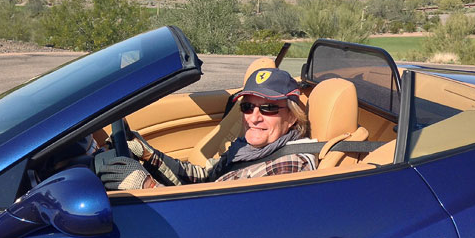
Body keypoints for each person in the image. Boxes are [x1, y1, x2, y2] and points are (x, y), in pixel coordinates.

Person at [99, 68, 316, 190]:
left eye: (268, 108)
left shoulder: (289, 166)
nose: (254, 118)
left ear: (292, 117)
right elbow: (206, 178)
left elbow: (217, 221)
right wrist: (148, 155)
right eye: (247, 107)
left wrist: (147, 187)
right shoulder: (246, 149)